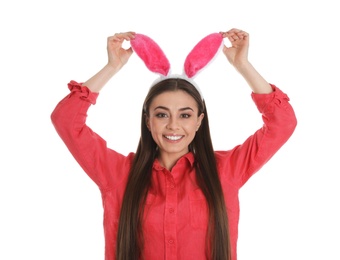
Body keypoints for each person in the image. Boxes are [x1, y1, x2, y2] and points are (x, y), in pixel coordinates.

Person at [51, 28, 297, 260]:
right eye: (161, 114)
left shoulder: (226, 170)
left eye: (185, 115)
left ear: (200, 121)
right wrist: (112, 66)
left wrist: (242, 65)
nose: (173, 125)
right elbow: (65, 120)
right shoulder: (117, 173)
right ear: (148, 121)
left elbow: (282, 123)